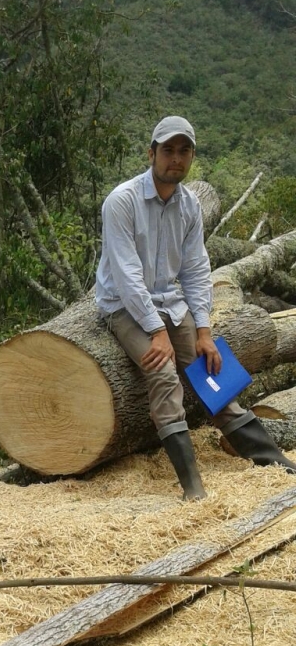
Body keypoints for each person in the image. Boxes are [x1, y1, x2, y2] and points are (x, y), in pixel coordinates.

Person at [95, 115, 296, 499]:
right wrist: (157, 333)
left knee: (210, 370)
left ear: (191, 156)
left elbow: (196, 268)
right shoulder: (122, 202)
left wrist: (203, 332)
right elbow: (126, 277)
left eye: (183, 151)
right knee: (164, 375)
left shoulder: (188, 206)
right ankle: (192, 486)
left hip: (171, 302)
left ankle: (271, 461)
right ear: (151, 153)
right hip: (123, 306)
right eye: (167, 150)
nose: (176, 158)